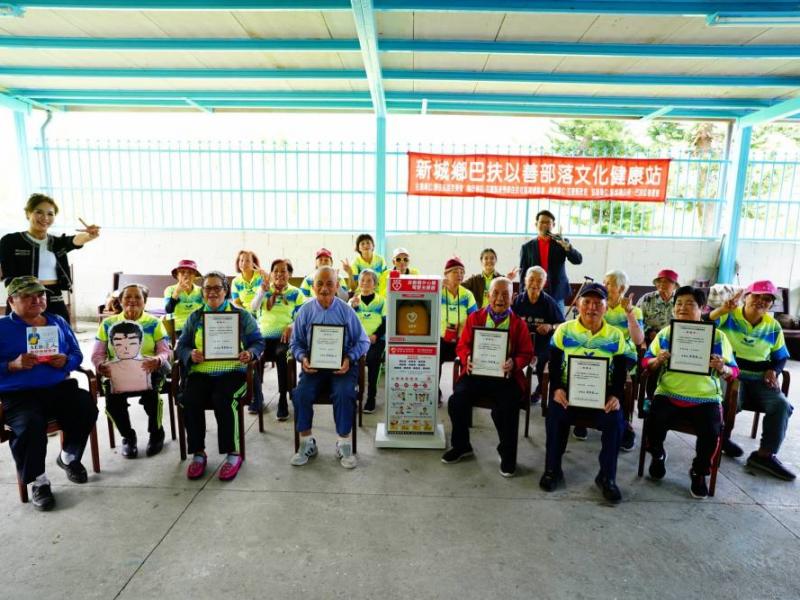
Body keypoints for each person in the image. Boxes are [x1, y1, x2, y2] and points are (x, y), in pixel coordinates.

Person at [0, 276, 98, 511]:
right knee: (29, 425)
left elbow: (76, 353)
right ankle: (38, 481)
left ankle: (68, 456)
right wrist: (11, 365)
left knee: (85, 405)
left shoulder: (57, 322)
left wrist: (67, 361)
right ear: (11, 300)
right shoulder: (2, 328)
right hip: (20, 395)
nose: (36, 300)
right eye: (27, 296)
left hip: (58, 387)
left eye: (40, 294)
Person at [540, 283, 635, 504]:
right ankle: (553, 470)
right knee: (554, 416)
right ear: (579, 305)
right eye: (587, 302)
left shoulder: (615, 336)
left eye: (597, 303)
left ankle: (606, 478)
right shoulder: (564, 330)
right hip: (569, 394)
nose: (591, 308)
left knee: (615, 422)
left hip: (601, 397)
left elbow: (621, 371)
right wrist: (556, 389)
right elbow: (552, 364)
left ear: (605, 307)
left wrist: (615, 396)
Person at [642, 286, 739, 499]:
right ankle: (657, 455)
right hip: (668, 393)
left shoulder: (718, 337)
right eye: (678, 304)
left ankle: (699, 471)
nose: (682, 308)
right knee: (653, 423)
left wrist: (722, 367)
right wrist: (656, 360)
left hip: (705, 398)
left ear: (702, 308)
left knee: (711, 432)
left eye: (689, 304)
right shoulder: (666, 333)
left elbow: (734, 371)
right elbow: (646, 361)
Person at [176, 271, 264, 482]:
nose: (212, 292)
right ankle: (198, 453)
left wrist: (250, 353)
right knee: (189, 398)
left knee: (222, 398)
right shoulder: (195, 316)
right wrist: (190, 354)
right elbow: (182, 346)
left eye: (217, 288)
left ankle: (233, 454)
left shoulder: (242, 316)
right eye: (208, 288)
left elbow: (258, 342)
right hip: (202, 372)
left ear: (226, 291)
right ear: (203, 292)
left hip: (233, 372)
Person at [441, 278, 533, 477]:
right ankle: (462, 445)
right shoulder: (475, 318)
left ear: (513, 297)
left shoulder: (518, 324)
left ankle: (507, 453)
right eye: (495, 293)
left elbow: (526, 353)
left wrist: (514, 363)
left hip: (506, 377)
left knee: (505, 408)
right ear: (488, 296)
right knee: (457, 400)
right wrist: (467, 359)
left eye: (505, 294)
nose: (500, 298)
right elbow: (462, 345)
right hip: (477, 373)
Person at [709, 280, 794, 480]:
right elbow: (703, 325)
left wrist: (774, 369)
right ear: (746, 297)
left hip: (760, 378)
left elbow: (781, 356)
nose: (761, 301)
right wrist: (721, 309)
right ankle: (721, 439)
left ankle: (764, 455)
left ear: (771, 305)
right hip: (730, 373)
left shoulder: (773, 327)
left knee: (781, 405)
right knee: (730, 400)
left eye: (767, 299)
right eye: (756, 296)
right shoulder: (728, 316)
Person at [289, 267, 370, 469]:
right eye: (320, 284)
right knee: (301, 394)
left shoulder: (346, 311)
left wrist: (349, 358)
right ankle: (306, 442)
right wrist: (302, 357)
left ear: (337, 287)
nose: (324, 289)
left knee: (344, 393)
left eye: (329, 284)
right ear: (313, 286)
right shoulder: (305, 311)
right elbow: (295, 342)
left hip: (341, 366)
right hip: (314, 367)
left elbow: (363, 341)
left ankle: (343, 443)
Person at [91, 283, 171, 459]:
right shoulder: (108, 324)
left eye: (138, 297)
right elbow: (97, 354)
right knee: (112, 403)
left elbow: (165, 351)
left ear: (145, 302)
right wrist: (101, 366)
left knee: (153, 398)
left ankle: (156, 433)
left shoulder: (154, 323)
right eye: (128, 297)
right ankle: (128, 436)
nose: (133, 301)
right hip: (119, 374)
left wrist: (157, 360)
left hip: (149, 371)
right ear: (120, 301)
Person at [0, 193, 101, 323]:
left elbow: (74, 241)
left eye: (50, 214)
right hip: (22, 296)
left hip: (53, 296)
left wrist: (89, 236)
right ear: (28, 214)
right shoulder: (10, 241)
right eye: (39, 212)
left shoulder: (56, 242)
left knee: (59, 336)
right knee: (20, 337)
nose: (45, 218)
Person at [251, 258, 305, 420]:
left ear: (289, 274)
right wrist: (262, 291)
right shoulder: (263, 289)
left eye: (284, 271)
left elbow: (302, 317)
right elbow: (253, 308)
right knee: (250, 356)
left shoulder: (296, 293)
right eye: (276, 271)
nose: (280, 274)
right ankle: (257, 396)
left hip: (283, 339)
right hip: (262, 338)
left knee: (282, 356)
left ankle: (282, 398)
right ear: (271, 274)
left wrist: (292, 326)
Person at [597, 269, 645, 451]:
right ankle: (586, 413)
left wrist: (629, 313)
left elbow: (638, 340)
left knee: (614, 375)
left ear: (622, 288)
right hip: (599, 351)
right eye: (604, 282)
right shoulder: (598, 305)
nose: (604, 286)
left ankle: (624, 426)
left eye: (609, 283)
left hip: (624, 353)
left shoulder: (634, 310)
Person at [511, 266, 564, 404]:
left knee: (542, 362)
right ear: (525, 280)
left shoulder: (548, 302)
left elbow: (562, 326)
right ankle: (518, 390)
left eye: (539, 280)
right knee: (511, 360)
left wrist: (550, 326)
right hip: (521, 343)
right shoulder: (518, 301)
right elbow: (509, 320)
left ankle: (540, 390)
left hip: (542, 344)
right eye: (531, 279)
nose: (535, 284)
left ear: (544, 283)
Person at [518, 210, 582, 315]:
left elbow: (578, 260)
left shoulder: (561, 242)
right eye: (542, 222)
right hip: (535, 291)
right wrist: (523, 293)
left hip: (556, 293)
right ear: (536, 224)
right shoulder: (527, 247)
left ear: (553, 225)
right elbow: (523, 272)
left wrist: (567, 248)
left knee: (558, 326)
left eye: (548, 222)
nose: (544, 225)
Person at [439, 257, 478, 401]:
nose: (460, 274)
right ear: (446, 274)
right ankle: (435, 391)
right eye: (455, 271)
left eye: (462, 272)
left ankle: (462, 393)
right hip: (442, 338)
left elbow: (474, 318)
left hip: (461, 339)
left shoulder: (467, 295)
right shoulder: (439, 292)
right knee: (435, 357)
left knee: (467, 360)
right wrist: (437, 286)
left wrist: (463, 326)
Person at [349, 269, 386, 413]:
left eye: (369, 280)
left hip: (376, 340)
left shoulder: (382, 301)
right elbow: (347, 321)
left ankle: (371, 397)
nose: (365, 283)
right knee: (351, 359)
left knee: (373, 359)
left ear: (375, 284)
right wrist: (352, 307)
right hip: (357, 340)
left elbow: (386, 322)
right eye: (362, 280)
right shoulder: (353, 301)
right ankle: (354, 394)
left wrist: (376, 335)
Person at [637, 268, 679, 344]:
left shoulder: (679, 301)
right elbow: (636, 320)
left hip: (674, 340)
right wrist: (649, 331)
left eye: (666, 282)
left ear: (675, 286)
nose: (662, 284)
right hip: (650, 340)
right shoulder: (646, 298)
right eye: (659, 281)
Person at [164, 259, 203, 331]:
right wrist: (176, 293)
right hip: (177, 329)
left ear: (195, 276)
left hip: (197, 328)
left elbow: (206, 310)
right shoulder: (170, 290)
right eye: (182, 272)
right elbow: (168, 310)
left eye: (190, 272)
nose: (186, 275)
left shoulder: (201, 291)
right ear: (177, 275)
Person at [231, 250, 263, 314]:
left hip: (263, 313)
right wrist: (246, 314)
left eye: (247, 261)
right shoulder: (235, 281)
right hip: (246, 314)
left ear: (253, 263)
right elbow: (236, 303)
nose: (244, 263)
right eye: (241, 260)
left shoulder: (261, 276)